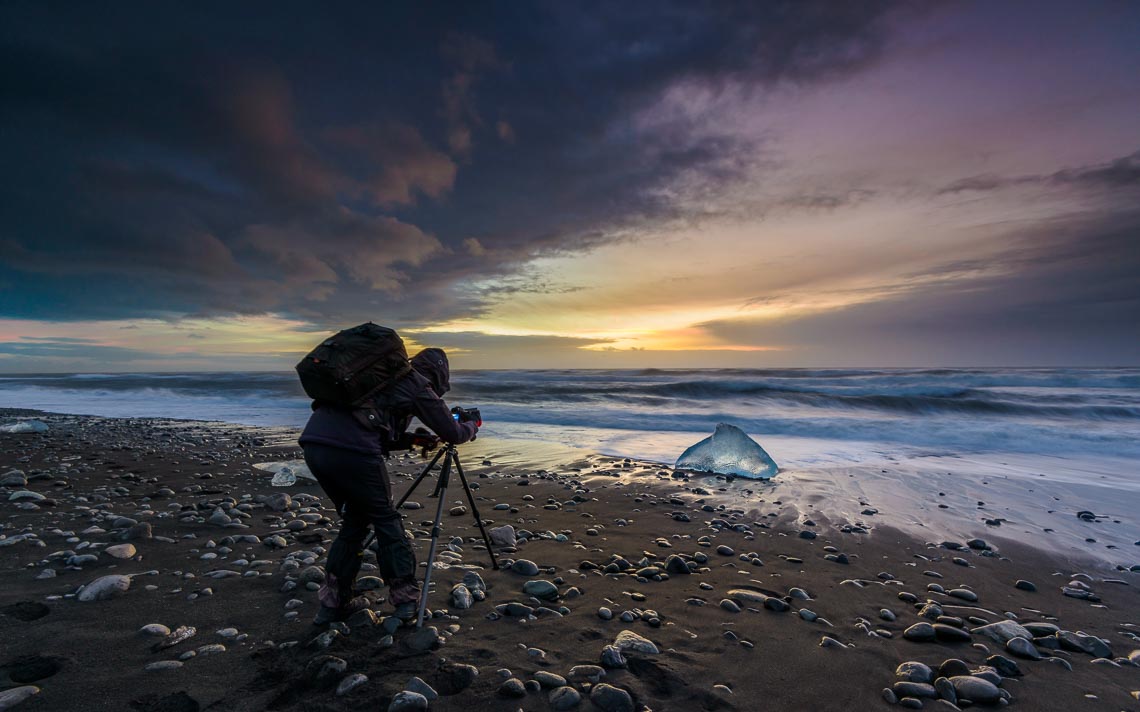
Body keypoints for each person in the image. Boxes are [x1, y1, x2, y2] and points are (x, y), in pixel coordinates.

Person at [299, 347, 478, 625]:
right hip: (354, 452)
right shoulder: (416, 384)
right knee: (387, 521)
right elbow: (453, 432)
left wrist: (413, 440)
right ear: (439, 373)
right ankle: (406, 602)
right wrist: (472, 426)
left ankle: (332, 604)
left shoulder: (378, 380)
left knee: (355, 523)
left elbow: (370, 429)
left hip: (315, 447)